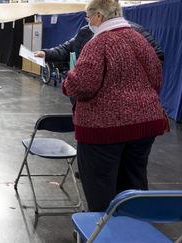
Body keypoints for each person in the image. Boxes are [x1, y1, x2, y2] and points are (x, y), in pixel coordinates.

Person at [62, 0, 167, 212]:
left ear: (99, 16)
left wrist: (67, 83)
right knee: (134, 184)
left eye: (89, 17)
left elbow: (83, 84)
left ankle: (103, 232)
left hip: (104, 130)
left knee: (100, 187)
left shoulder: (99, 42)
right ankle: (135, 230)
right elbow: (156, 77)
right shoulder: (139, 39)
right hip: (145, 124)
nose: (88, 22)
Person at [34, 19, 164, 64]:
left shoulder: (133, 31)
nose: (87, 20)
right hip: (86, 101)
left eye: (89, 16)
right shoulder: (86, 32)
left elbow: (157, 56)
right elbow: (67, 48)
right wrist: (46, 54)